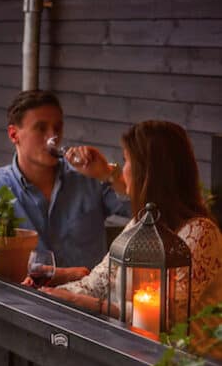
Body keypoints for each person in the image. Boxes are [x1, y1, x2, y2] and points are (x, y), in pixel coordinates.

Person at [44, 120, 222, 353]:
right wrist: (48, 295)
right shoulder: (137, 226)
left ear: (149, 172)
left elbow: (167, 316)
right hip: (137, 355)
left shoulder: (200, 233)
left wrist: (86, 303)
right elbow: (94, 284)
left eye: (127, 160)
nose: (121, 169)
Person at [0, 89, 131, 271]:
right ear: (14, 135)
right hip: (22, 298)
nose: (52, 137)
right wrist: (60, 275)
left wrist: (108, 174)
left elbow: (142, 211)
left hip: (86, 297)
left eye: (57, 128)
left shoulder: (89, 177)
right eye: (41, 128)